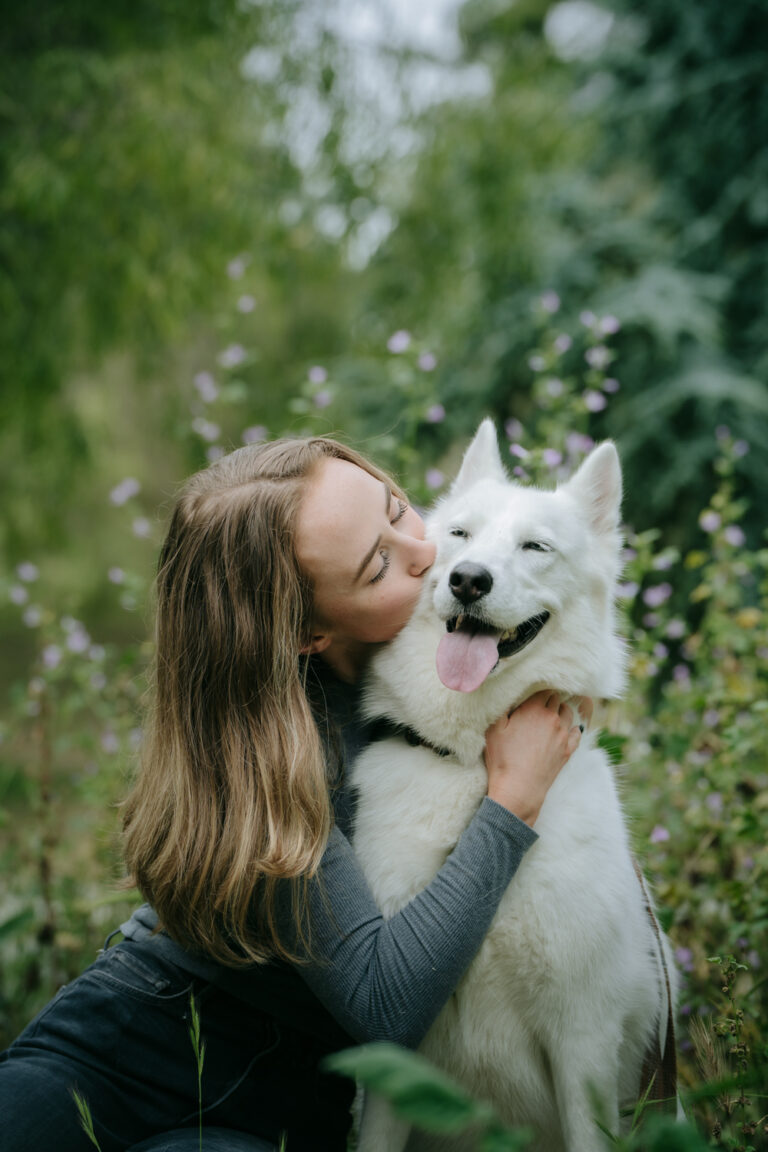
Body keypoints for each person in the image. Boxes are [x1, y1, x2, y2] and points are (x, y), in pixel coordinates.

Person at [0, 436, 588, 1152]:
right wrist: (511, 804)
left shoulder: (450, 646)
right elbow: (385, 1004)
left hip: (282, 1109)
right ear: (308, 632)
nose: (427, 551)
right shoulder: (268, 751)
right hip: (119, 1049)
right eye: (379, 565)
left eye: (400, 509)